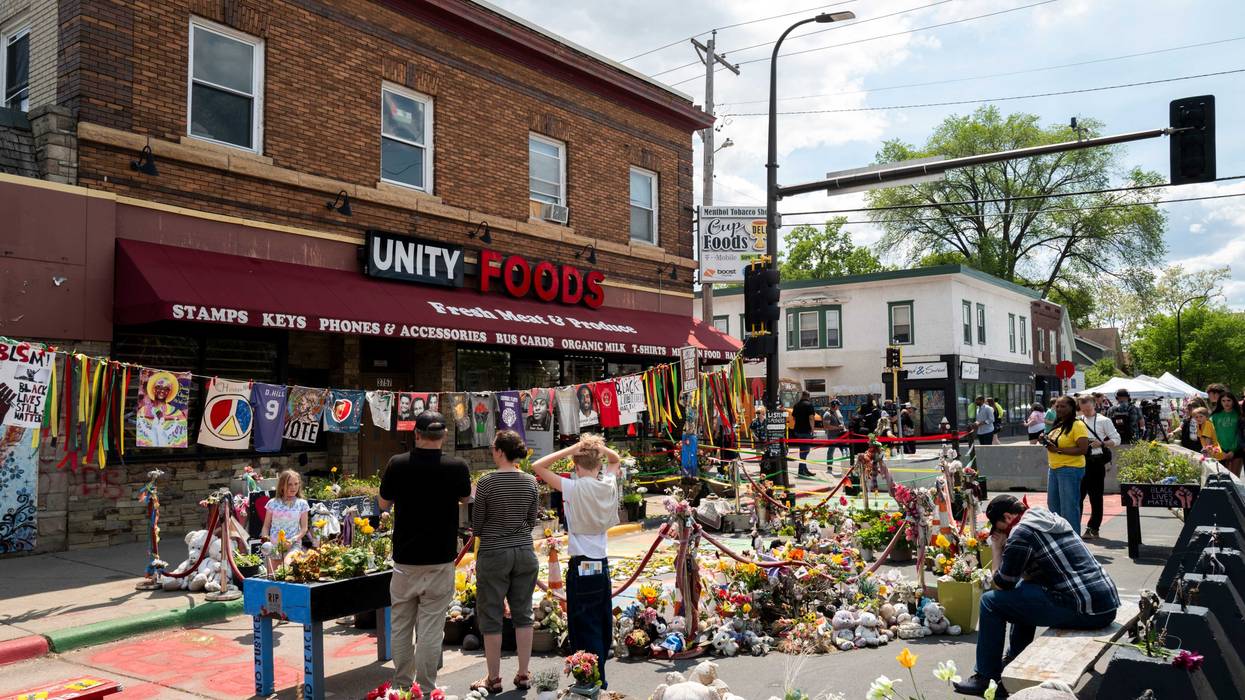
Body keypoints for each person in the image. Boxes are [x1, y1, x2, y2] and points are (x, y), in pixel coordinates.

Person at [953, 494, 1119, 697]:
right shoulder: (1050, 518)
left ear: (1007, 517)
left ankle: (985, 677)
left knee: (990, 603)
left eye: (997, 527)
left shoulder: (1021, 533)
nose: (998, 532)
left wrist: (997, 549)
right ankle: (1014, 659)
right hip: (1105, 603)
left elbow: (1002, 583)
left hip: (1086, 609)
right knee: (1023, 590)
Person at [379, 411, 472, 692]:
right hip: (440, 559)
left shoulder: (397, 464)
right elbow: (467, 498)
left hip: (405, 561)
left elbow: (383, 504)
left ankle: (403, 686)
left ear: (416, 434)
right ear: (443, 436)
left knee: (401, 628)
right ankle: (427, 689)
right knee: (431, 630)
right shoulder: (457, 467)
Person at [531, 434, 622, 689]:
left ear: (576, 465)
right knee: (601, 621)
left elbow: (537, 466)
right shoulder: (608, 484)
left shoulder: (573, 486)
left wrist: (571, 449)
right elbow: (616, 460)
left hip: (582, 563)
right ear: (598, 464)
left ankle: (592, 681)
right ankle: (598, 675)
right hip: (600, 563)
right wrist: (597, 448)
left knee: (583, 625)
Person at [470, 430, 540, 694]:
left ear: (500, 451)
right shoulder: (531, 481)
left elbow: (477, 525)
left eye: (493, 447)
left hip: (493, 552)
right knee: (523, 614)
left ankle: (494, 677)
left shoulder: (486, 482)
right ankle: (523, 674)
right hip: (524, 550)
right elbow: (532, 520)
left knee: (491, 616)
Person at [1041, 395, 1090, 530]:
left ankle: (1073, 541)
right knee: (1053, 508)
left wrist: (1058, 450)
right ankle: (1060, 540)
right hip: (1054, 468)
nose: (1059, 409)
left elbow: (1083, 449)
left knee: (1069, 508)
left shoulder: (1077, 424)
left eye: (1063, 406)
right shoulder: (1058, 424)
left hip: (1070, 469)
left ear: (1072, 408)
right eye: (1057, 406)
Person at [1077, 395, 1120, 540]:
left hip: (1096, 462)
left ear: (1094, 405)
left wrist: (1101, 443)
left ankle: (1093, 528)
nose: (1086, 412)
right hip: (1079, 461)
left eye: (1088, 409)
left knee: (1095, 497)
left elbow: (1117, 439)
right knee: (1077, 496)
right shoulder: (1078, 421)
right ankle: (1075, 526)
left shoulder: (1104, 420)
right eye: (1083, 410)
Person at [262, 469, 309, 558]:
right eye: (289, 484)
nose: (293, 487)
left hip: (293, 545)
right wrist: (265, 540)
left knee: (287, 566)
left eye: (296, 484)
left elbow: (304, 529)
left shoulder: (302, 504)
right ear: (282, 485)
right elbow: (266, 526)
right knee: (275, 572)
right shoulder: (272, 503)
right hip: (274, 546)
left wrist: (292, 540)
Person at [1210, 390, 1244, 476]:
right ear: (1220, 402)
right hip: (1220, 451)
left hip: (1236, 451)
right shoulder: (1214, 416)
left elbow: (1240, 434)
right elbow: (1211, 434)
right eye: (1223, 401)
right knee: (1222, 479)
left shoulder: (1239, 415)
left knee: (1235, 479)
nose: (1226, 403)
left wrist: (1232, 451)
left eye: (1229, 400)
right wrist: (1218, 450)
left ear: (1233, 401)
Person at [791, 391, 817, 478]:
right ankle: (802, 470)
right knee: (805, 451)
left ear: (802, 396)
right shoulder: (809, 405)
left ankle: (803, 469)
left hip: (797, 430)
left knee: (803, 450)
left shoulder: (796, 405)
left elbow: (794, 417)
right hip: (806, 430)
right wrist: (812, 429)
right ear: (808, 397)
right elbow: (811, 418)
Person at [821, 400, 846, 468]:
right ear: (834, 405)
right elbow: (826, 427)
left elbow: (840, 421)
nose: (839, 407)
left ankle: (846, 465)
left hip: (840, 435)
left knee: (845, 450)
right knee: (831, 450)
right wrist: (838, 427)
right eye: (838, 405)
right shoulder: (827, 414)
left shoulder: (836, 412)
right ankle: (829, 466)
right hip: (833, 436)